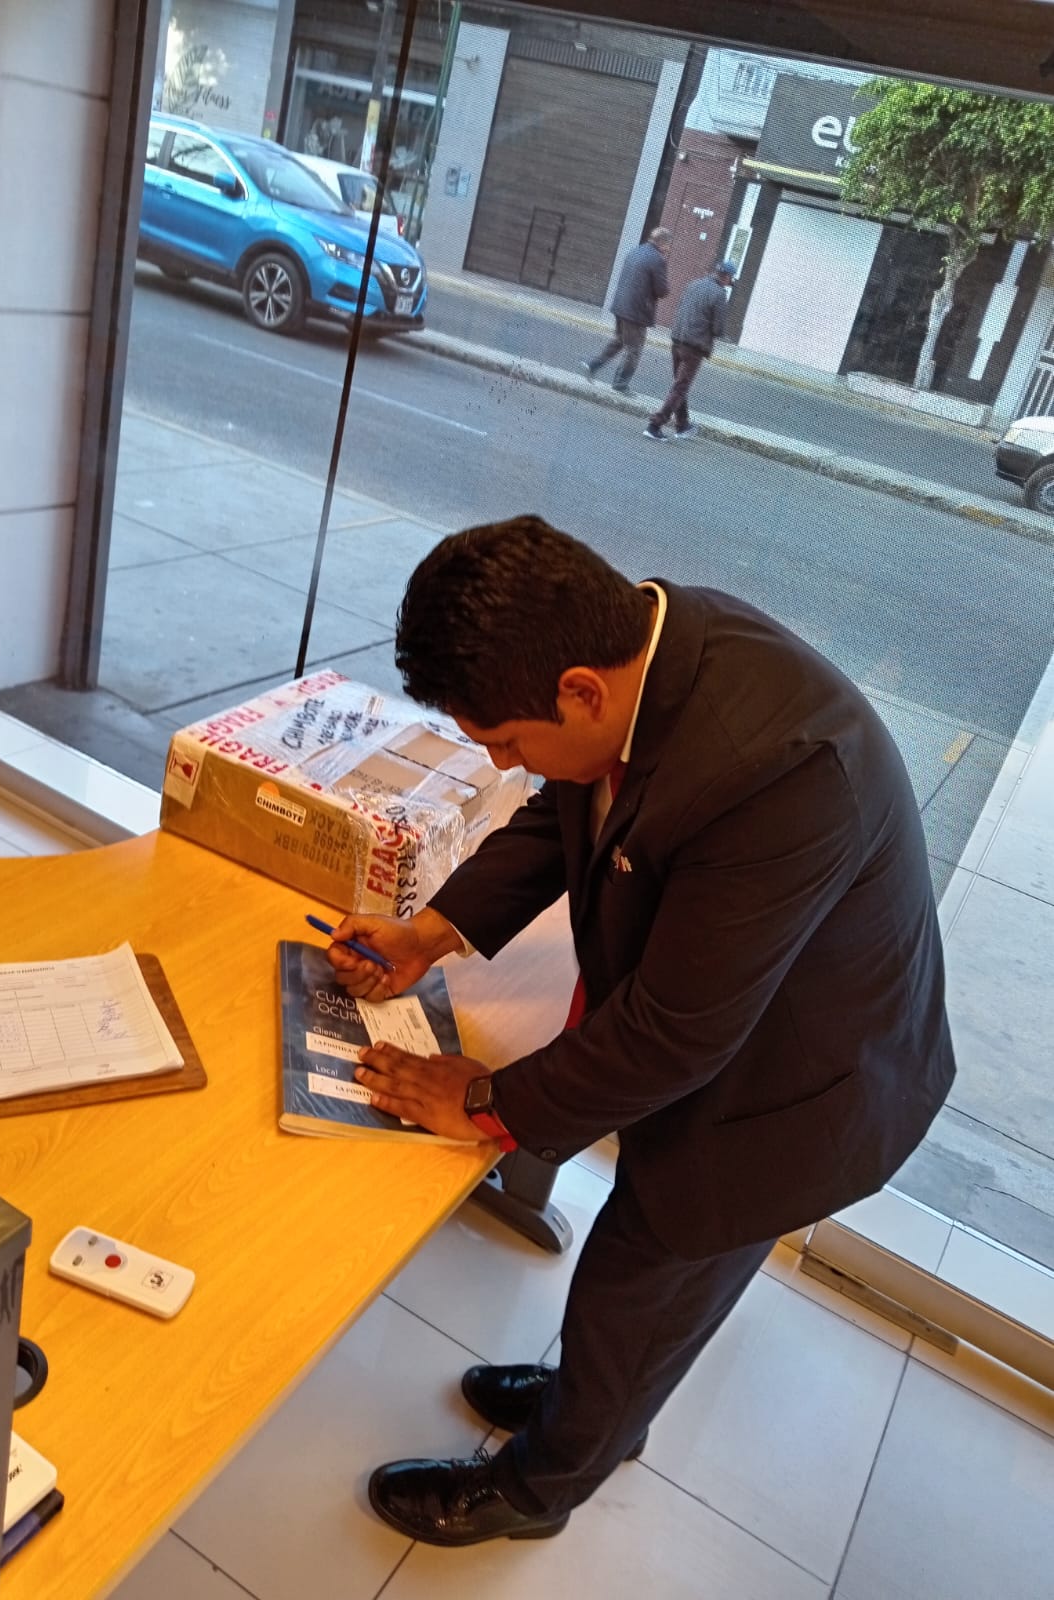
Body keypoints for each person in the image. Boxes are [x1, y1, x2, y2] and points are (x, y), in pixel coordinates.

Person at [324, 516, 955, 1550]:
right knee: (638, 1290)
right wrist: (431, 933)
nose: (503, 763)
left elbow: (672, 1036)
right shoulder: (646, 649)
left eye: (505, 741)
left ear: (580, 690)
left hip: (800, 1089)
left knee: (640, 1280)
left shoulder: (780, 771)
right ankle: (594, 1401)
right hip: (739, 1023)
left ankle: (541, 1485)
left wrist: (480, 1098)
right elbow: (569, 806)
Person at [644, 258, 735, 441]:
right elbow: (718, 329)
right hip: (694, 347)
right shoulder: (719, 294)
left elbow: (681, 309)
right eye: (731, 278)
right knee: (680, 387)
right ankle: (654, 425)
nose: (730, 281)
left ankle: (683, 425)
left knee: (680, 385)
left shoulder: (694, 284)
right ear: (726, 277)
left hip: (677, 339)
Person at [580, 227, 671, 394]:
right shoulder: (658, 259)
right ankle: (620, 384)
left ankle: (592, 365)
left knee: (620, 341)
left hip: (621, 306)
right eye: (668, 245)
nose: (668, 249)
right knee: (634, 349)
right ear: (662, 243)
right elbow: (662, 290)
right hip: (637, 311)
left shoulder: (635, 252)